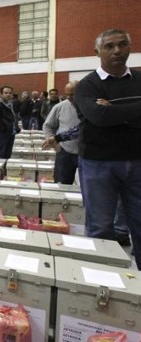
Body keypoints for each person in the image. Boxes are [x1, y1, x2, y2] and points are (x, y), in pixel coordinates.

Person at [75, 28, 141, 267]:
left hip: (136, 162)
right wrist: (132, 111)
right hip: (98, 164)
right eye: (110, 46)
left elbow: (106, 115)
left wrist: (114, 109)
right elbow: (98, 117)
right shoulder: (87, 85)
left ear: (130, 48)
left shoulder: (138, 80)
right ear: (98, 51)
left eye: (122, 44)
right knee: (101, 226)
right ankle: (104, 282)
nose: (117, 50)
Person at [42, 82, 79, 184]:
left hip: (86, 154)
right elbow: (47, 126)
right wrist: (55, 143)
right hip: (64, 152)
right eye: (67, 94)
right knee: (62, 183)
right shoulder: (60, 107)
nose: (69, 97)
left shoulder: (90, 107)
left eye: (72, 94)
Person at [0, 85, 20, 158]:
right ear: (1, 94)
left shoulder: (10, 105)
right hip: (2, 134)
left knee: (7, 155)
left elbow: (12, 118)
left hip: (10, 134)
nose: (8, 95)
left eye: (10, 93)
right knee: (0, 155)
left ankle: (4, 169)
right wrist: (4, 129)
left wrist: (15, 127)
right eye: (6, 93)